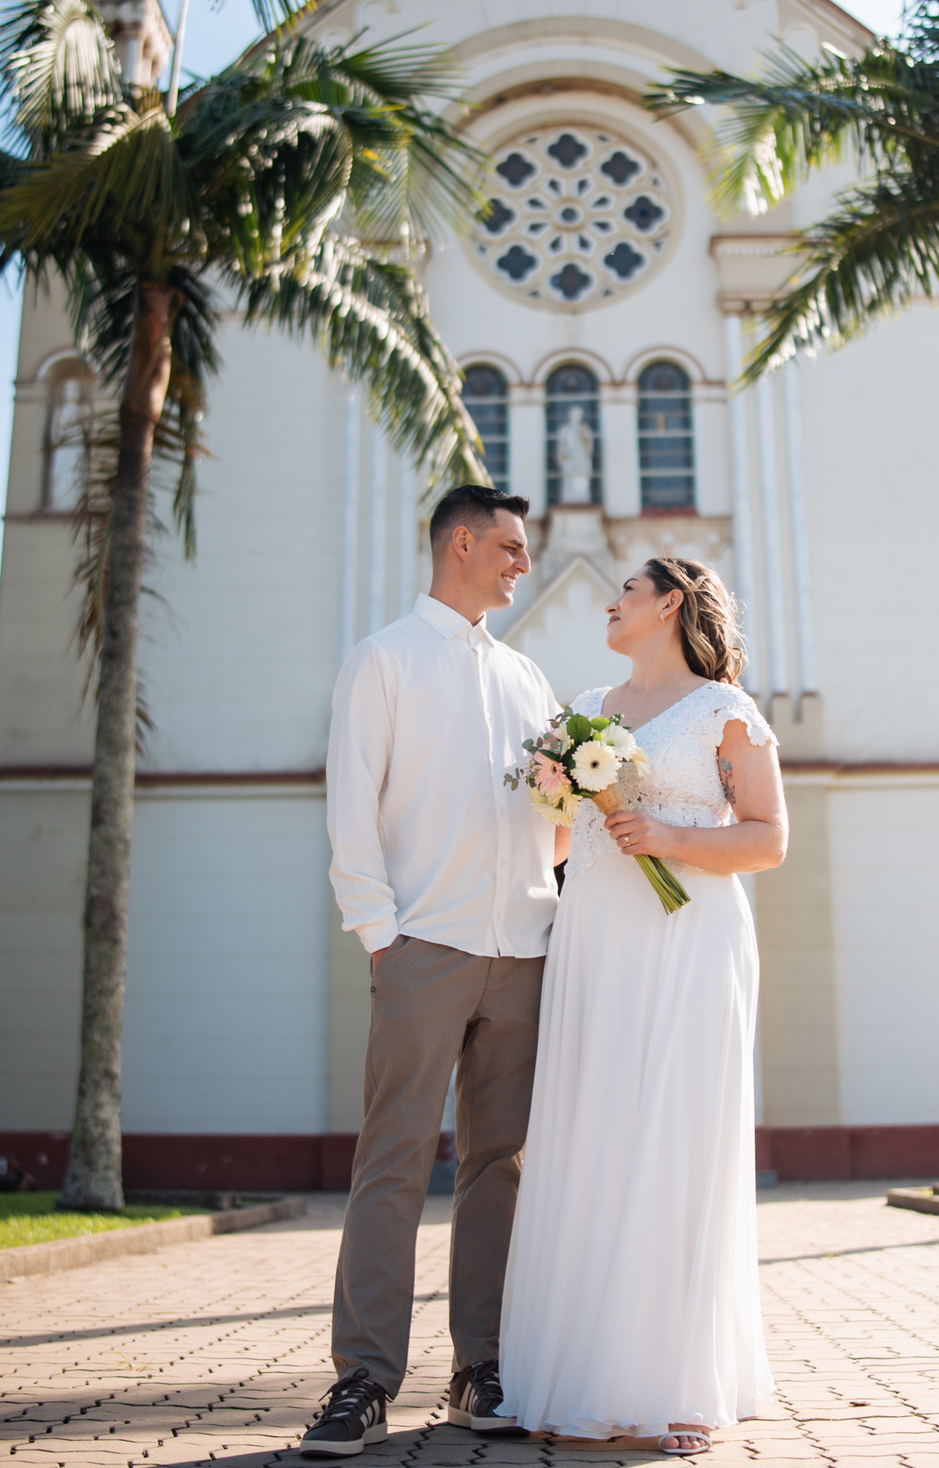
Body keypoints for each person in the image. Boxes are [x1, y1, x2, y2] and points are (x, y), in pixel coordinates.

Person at [497, 556, 788, 1453]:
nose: (611, 601)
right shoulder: (585, 709)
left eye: (627, 589)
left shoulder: (725, 712)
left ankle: (678, 1382)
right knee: (594, 1134)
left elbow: (770, 840)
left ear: (669, 603)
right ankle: (581, 1373)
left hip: (690, 938)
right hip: (596, 943)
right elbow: (552, 836)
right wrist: (554, 802)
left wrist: (667, 835)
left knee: (676, 1136)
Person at [302, 485, 568, 1460]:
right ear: (461, 544)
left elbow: (554, 817)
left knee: (500, 1169)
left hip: (524, 953)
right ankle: (363, 1379)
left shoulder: (530, 678)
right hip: (424, 949)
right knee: (394, 1164)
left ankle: (479, 1367)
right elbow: (351, 807)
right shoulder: (384, 661)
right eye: (509, 547)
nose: (521, 564)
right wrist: (382, 933)